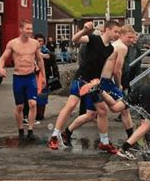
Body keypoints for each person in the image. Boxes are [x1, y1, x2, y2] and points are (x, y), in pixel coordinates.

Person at [47, 20, 120, 150]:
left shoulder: (110, 49)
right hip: (82, 78)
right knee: (71, 105)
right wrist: (85, 30)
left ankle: (104, 142)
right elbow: (75, 39)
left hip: (94, 82)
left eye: (119, 32)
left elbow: (101, 66)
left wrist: (100, 80)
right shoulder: (93, 39)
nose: (117, 35)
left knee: (101, 111)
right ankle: (54, 136)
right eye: (115, 31)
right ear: (107, 29)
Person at [63, 25, 135, 150]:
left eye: (133, 38)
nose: (131, 41)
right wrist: (119, 85)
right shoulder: (122, 47)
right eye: (129, 37)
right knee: (125, 107)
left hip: (97, 80)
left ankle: (67, 132)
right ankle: (132, 140)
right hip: (106, 82)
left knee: (91, 114)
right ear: (122, 35)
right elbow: (118, 71)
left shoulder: (113, 45)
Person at [0, 20, 45, 140]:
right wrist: (0, 68)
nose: (30, 31)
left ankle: (30, 130)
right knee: (19, 106)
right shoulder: (13, 43)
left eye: (31, 29)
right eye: (28, 29)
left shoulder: (35, 43)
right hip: (18, 77)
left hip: (30, 77)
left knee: (33, 104)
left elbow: (40, 60)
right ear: (21, 29)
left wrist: (43, 76)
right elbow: (2, 58)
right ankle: (20, 129)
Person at [23, 33, 51, 124]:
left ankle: (36, 114)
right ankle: (27, 116)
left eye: (42, 41)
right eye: (38, 41)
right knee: (29, 96)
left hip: (40, 76)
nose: (40, 43)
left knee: (41, 96)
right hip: (30, 75)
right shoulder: (30, 49)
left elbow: (49, 61)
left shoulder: (46, 50)